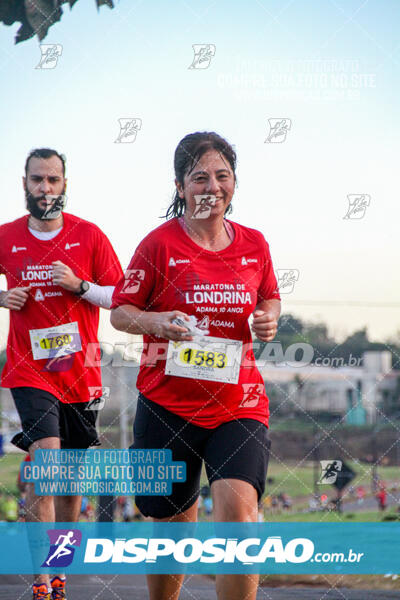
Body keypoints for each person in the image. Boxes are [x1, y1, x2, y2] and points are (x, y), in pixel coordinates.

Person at [111, 131, 281, 600]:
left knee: (238, 519)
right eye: (200, 177)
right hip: (168, 406)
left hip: (238, 403)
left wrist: (268, 319)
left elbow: (269, 295)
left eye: (222, 176)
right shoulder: (158, 245)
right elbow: (121, 311)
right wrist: (158, 321)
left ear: (234, 182)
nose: (212, 186)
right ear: (181, 185)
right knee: (172, 529)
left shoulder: (254, 243)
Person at [0, 148, 123, 600]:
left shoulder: (89, 236)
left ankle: (58, 569)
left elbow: (121, 296)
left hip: (80, 375)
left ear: (64, 185)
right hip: (29, 369)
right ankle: (39, 579)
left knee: (70, 487)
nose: (45, 188)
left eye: (53, 180)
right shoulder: (7, 236)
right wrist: (1, 297)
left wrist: (81, 286)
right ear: (25, 183)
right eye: (37, 180)